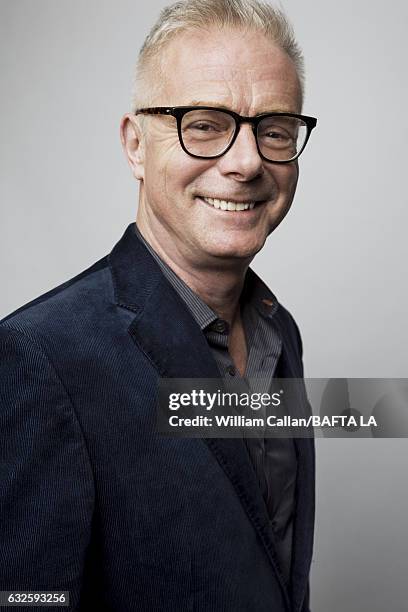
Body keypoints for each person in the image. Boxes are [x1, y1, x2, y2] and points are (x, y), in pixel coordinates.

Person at [0, 0, 317, 610]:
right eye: (203, 124)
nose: (248, 161)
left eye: (274, 129)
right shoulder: (42, 356)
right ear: (135, 145)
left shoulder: (283, 334)